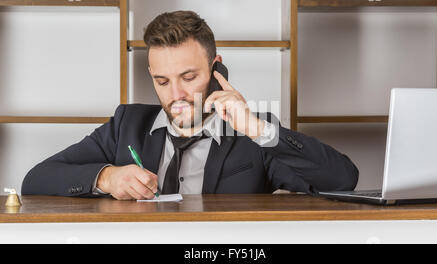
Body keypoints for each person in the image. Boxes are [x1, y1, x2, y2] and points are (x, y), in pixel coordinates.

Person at [21, 11, 358, 200]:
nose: (176, 95)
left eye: (188, 76)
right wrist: (106, 178)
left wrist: (259, 129)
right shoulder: (127, 125)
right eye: (162, 81)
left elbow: (342, 180)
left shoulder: (253, 133)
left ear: (217, 69)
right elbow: (35, 180)